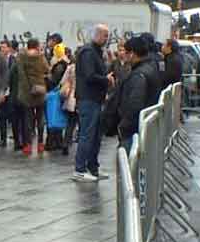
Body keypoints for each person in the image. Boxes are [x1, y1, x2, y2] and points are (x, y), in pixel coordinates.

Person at [73, 24, 113, 183]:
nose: (107, 39)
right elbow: (90, 76)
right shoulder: (88, 52)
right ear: (97, 35)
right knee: (87, 135)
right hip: (88, 99)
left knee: (95, 136)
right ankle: (80, 169)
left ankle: (92, 167)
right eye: (105, 35)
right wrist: (106, 79)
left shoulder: (95, 51)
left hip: (95, 99)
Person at [116, 36, 162, 153]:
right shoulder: (151, 66)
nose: (123, 55)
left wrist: (123, 126)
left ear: (132, 54)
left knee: (128, 163)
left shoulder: (138, 75)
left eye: (126, 52)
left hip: (134, 129)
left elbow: (134, 104)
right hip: (143, 126)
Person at [17, 38, 49, 155]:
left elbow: (20, 73)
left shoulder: (21, 57)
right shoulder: (41, 56)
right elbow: (46, 69)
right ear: (36, 46)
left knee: (28, 119)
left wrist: (27, 87)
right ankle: (40, 143)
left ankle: (28, 145)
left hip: (27, 92)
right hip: (40, 90)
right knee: (40, 118)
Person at [0, 39, 16, 148]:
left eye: (4, 47)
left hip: (11, 92)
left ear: (9, 48)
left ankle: (17, 138)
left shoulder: (13, 60)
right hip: (0, 92)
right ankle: (3, 139)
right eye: (1, 47)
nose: (3, 49)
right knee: (2, 116)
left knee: (13, 117)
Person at [60, 49, 77, 156]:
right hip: (82, 98)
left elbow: (63, 81)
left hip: (71, 98)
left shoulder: (71, 67)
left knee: (70, 123)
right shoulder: (87, 68)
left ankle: (66, 142)